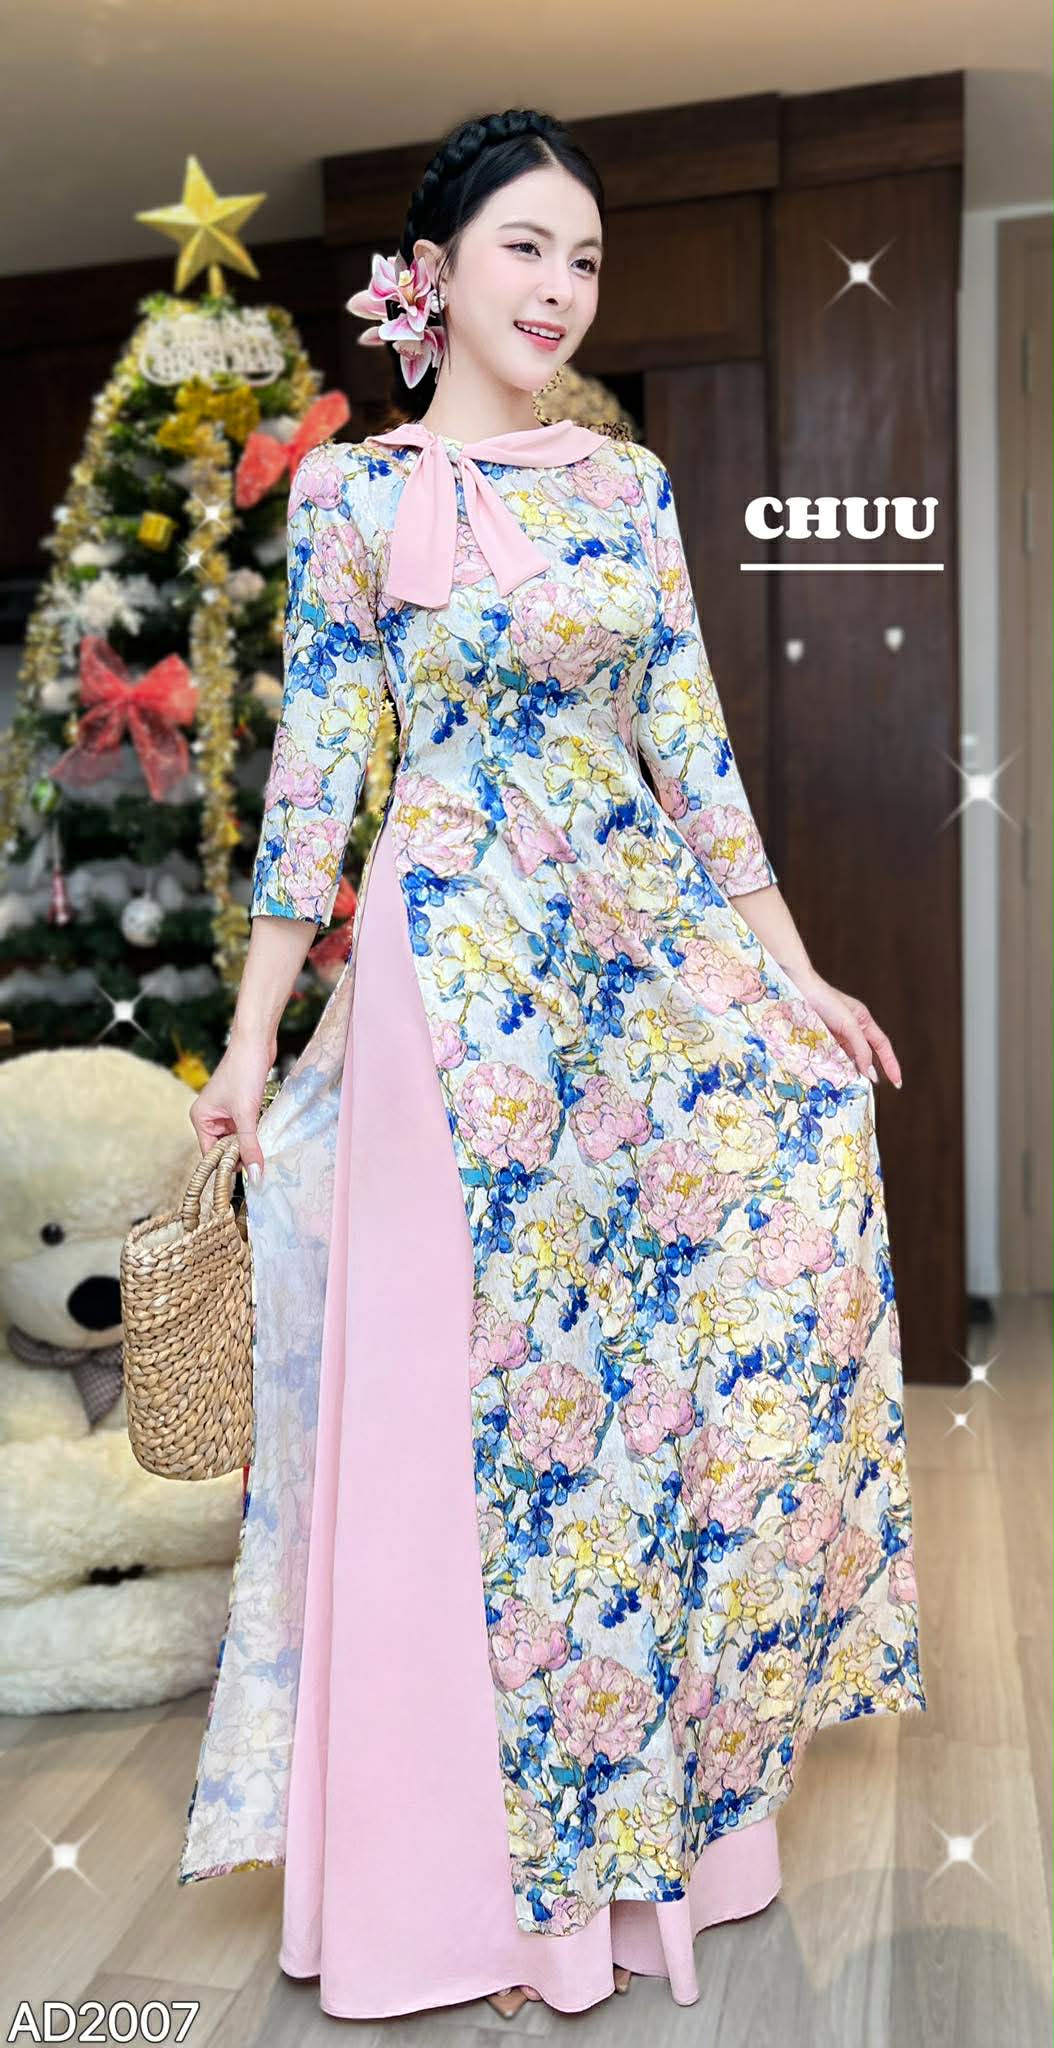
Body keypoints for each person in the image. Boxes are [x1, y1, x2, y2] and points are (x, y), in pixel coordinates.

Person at [182, 107, 928, 2022]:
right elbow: (316, 779)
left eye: (583, 257)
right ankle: (455, 1895)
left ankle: (650, 1841)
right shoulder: (351, 502)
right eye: (525, 246)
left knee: (631, 1385)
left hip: (628, 956)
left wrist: (794, 977)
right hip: (452, 973)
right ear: (432, 275)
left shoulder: (626, 487)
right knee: (463, 1404)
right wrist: (252, 1042)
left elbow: (693, 751)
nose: (560, 286)